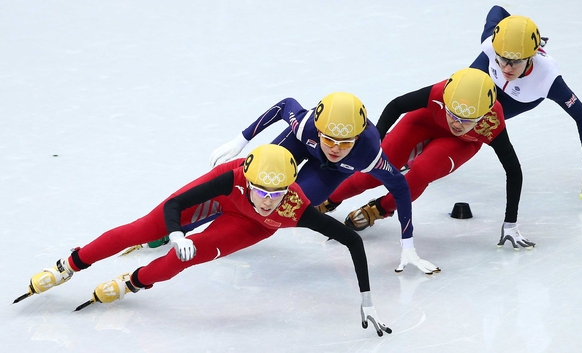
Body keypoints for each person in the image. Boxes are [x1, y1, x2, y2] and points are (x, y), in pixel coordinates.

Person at [14, 144, 391, 337]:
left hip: (253, 227)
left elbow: (352, 243)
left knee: (188, 258)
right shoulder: (234, 178)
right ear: (249, 177)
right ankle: (70, 265)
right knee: (143, 229)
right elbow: (177, 204)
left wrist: (366, 300)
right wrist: (175, 232)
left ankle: (133, 282)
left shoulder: (295, 208)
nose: (268, 199)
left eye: (277, 194)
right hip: (225, 199)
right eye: (262, 190)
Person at [208, 92, 438, 274]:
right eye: (328, 139)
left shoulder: (369, 153)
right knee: (255, 181)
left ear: (357, 137)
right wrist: (241, 140)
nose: (335, 148)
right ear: (318, 130)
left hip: (331, 171)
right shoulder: (304, 124)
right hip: (300, 144)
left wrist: (408, 243)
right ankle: (186, 218)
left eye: (345, 142)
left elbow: (399, 187)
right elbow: (284, 105)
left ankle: (222, 230)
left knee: (293, 202)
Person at [317, 68, 535, 252]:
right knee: (375, 170)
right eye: (453, 114)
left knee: (422, 171)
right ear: (446, 102)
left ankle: (379, 209)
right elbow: (396, 105)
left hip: (461, 144)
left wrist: (510, 223)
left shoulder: (493, 122)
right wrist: (377, 141)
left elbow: (513, 170)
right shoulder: (438, 93)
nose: (457, 124)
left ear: (484, 116)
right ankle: (330, 198)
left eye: (467, 120)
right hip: (425, 121)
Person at [470, 5, 582, 209]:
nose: (507, 68)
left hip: (518, 97)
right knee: (455, 101)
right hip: (486, 71)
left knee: (474, 124)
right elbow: (497, 10)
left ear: (531, 56)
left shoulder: (548, 79)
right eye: (503, 60)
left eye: (516, 62)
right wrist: (517, 33)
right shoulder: (491, 44)